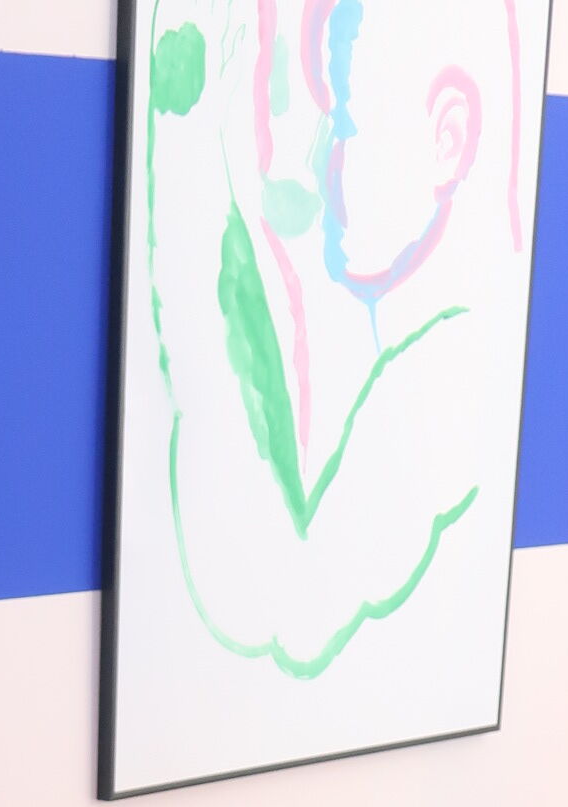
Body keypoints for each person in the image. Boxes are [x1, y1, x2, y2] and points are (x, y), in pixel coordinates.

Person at [141, 0, 528, 680]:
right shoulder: (422, 341)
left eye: (345, 122)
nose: (324, 158)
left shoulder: (452, 367)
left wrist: (186, 155)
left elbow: (281, 604)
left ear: (447, 139)